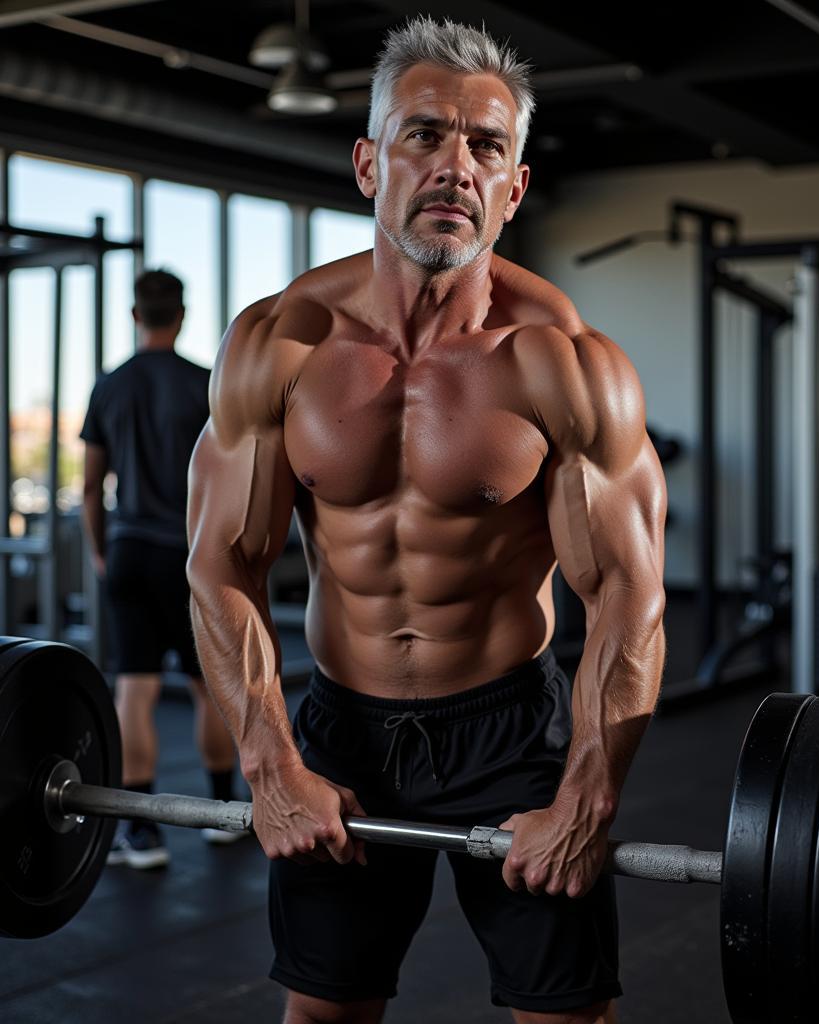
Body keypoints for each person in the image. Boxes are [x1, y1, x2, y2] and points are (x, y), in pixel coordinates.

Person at [186, 15, 666, 1024]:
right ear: (369, 163)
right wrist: (273, 763)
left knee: (564, 1015)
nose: (455, 165)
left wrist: (585, 794)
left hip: (510, 731)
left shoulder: (563, 363)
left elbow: (628, 587)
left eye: (487, 146)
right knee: (323, 1010)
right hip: (338, 726)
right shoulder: (279, 344)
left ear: (514, 187)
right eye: (424, 135)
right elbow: (220, 564)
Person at [80, 269, 241, 869]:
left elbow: (93, 487)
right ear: (182, 314)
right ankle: (225, 814)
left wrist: (102, 552)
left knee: (135, 689)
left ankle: (143, 835)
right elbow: (228, 480)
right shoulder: (205, 384)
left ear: (133, 314)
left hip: (128, 551)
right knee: (208, 689)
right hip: (188, 554)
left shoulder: (110, 386)